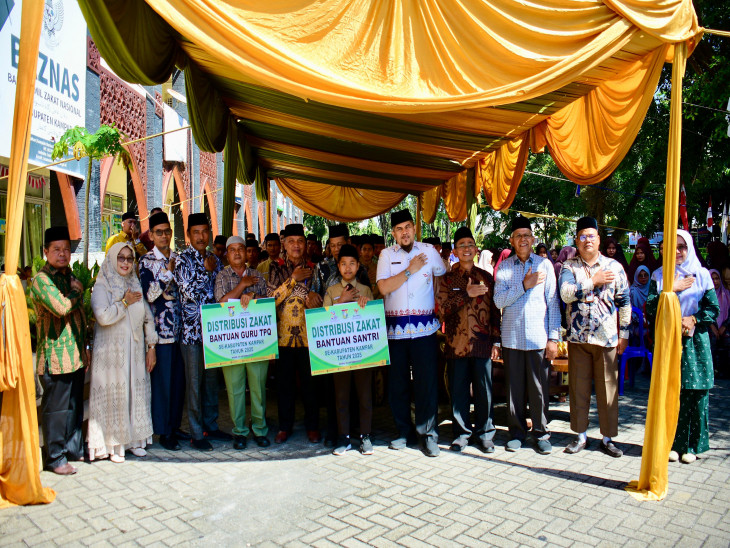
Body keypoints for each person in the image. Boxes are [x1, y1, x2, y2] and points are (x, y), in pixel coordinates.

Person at [559, 217, 631, 458]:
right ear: (576, 240)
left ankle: (608, 438)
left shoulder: (614, 267)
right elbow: (566, 294)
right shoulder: (569, 266)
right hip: (578, 339)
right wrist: (594, 281)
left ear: (599, 239)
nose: (587, 240)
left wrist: (624, 334)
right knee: (578, 389)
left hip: (606, 337)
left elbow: (625, 301)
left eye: (591, 236)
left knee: (608, 389)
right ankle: (580, 436)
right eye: (582, 236)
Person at [377, 209, 446, 457]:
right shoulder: (386, 255)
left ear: (414, 228)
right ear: (393, 233)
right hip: (395, 331)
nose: (404, 232)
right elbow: (384, 287)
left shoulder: (429, 251)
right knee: (398, 384)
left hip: (424, 330)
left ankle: (428, 435)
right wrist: (410, 270)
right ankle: (403, 432)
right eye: (399, 229)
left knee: (426, 383)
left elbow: (442, 277)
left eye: (407, 227)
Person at [647, 230, 719, 464]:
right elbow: (651, 308)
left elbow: (713, 308)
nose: (677, 252)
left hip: (694, 342)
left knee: (695, 391)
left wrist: (695, 319)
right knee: (671, 391)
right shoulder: (659, 275)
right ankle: (672, 444)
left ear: (690, 248)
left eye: (682, 247)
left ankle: (693, 445)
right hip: (669, 340)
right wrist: (671, 289)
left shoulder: (702, 274)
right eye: (672, 247)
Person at [494, 217, 561, 455]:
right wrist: (524, 285)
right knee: (514, 390)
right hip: (511, 339)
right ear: (511, 240)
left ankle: (541, 433)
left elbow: (553, 304)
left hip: (538, 339)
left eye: (526, 235)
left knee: (539, 389)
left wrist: (553, 339)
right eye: (518, 236)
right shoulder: (504, 267)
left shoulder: (545, 265)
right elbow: (498, 301)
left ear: (533, 239)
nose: (523, 239)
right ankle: (516, 433)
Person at [87, 243, 157, 462]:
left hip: (135, 352)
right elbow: (103, 316)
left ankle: (134, 441)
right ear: (111, 259)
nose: (126, 262)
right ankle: (113, 445)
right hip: (112, 354)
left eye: (129, 258)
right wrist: (124, 302)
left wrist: (151, 346)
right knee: (115, 395)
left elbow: (148, 317)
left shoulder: (134, 283)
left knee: (134, 394)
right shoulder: (103, 285)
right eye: (121, 258)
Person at [437, 227, 501, 454]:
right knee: (459, 392)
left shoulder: (486, 278)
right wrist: (467, 294)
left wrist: (496, 342)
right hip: (456, 345)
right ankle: (462, 434)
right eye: (461, 245)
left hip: (482, 345)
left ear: (476, 249)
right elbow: (442, 310)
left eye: (470, 244)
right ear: (454, 251)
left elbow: (495, 312)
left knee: (484, 392)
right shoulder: (446, 279)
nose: (466, 248)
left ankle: (485, 434)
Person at [32, 226, 89, 475]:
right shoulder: (41, 280)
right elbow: (61, 307)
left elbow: (80, 315)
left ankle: (73, 450)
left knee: (73, 408)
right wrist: (77, 291)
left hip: (75, 355)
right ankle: (55, 458)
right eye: (57, 249)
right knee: (56, 410)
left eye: (66, 249)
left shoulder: (68, 275)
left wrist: (86, 348)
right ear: (46, 252)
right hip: (55, 357)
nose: (63, 254)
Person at [174, 213, 229, 451]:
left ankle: (211, 425)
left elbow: (220, 291)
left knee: (211, 382)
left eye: (204, 231)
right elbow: (188, 292)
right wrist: (205, 272)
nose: (201, 236)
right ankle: (196, 433)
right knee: (194, 385)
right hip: (191, 333)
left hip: (213, 332)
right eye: (196, 232)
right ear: (188, 235)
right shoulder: (182, 260)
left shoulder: (215, 260)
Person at [269, 224, 324, 444]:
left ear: (305, 244)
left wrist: (315, 299)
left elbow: (322, 298)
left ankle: (313, 426)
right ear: (284, 244)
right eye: (291, 241)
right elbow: (271, 300)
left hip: (309, 338)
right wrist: (293, 279)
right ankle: (284, 427)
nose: (296, 245)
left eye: (300, 241)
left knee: (311, 386)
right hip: (283, 337)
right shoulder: (276, 268)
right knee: (285, 386)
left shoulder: (315, 268)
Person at [215, 236, 271, 449]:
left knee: (258, 387)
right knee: (235, 388)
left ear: (247, 252)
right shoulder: (222, 275)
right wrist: (243, 286)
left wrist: (253, 294)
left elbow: (268, 302)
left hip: (256, 342)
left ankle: (260, 429)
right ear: (227, 254)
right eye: (232, 250)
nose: (237, 253)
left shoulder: (258, 275)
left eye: (241, 249)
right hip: (232, 344)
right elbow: (221, 303)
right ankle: (239, 431)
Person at [139, 211, 186, 451]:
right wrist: (167, 273)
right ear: (151, 235)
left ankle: (175, 426)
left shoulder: (178, 258)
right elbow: (149, 295)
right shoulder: (146, 262)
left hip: (182, 332)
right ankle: (164, 432)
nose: (164, 236)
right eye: (159, 232)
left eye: (167, 231)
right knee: (163, 386)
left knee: (178, 384)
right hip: (160, 334)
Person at [324, 244, 375, 456]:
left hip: (362, 353)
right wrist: (341, 303)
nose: (347, 268)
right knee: (341, 396)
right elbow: (324, 321)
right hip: (340, 354)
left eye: (352, 263)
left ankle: (365, 436)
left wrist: (367, 305)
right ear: (338, 266)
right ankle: (343, 437)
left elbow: (373, 320)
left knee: (364, 395)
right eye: (343, 264)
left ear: (358, 266)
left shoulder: (366, 290)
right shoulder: (332, 291)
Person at [312, 223, 371, 294]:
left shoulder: (360, 269)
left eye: (339, 245)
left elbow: (368, 293)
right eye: (332, 246)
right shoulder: (322, 267)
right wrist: (312, 294)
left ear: (348, 242)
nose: (336, 249)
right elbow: (313, 292)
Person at [708, 269, 729, 377]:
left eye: (717, 279)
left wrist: (724, 326)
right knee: (710, 339)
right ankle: (712, 370)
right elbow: (703, 311)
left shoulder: (727, 294)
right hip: (710, 325)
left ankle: (725, 370)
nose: (715, 281)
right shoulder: (705, 295)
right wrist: (713, 327)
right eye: (712, 279)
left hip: (726, 326)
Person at [359, 234, 381, 299]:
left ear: (373, 252)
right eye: (364, 249)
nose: (367, 252)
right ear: (360, 251)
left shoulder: (378, 268)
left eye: (369, 249)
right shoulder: (356, 266)